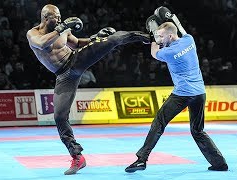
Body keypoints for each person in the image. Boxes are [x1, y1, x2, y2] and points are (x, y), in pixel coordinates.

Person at [26, 4, 150, 175]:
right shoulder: (33, 34)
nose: (60, 19)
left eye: (61, 16)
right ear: (46, 17)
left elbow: (77, 44)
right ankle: (78, 157)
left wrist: (94, 38)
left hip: (76, 61)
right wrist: (61, 28)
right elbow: (41, 44)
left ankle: (145, 36)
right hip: (63, 76)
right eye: (56, 17)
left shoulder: (62, 30)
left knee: (111, 40)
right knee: (59, 116)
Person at [125, 7, 228, 173]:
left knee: (158, 123)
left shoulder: (169, 52)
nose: (159, 39)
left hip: (183, 94)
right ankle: (219, 163)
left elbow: (153, 52)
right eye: (158, 36)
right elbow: (179, 27)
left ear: (171, 36)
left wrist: (152, 32)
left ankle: (141, 160)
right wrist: (171, 16)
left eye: (161, 36)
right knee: (198, 130)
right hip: (200, 93)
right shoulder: (189, 40)